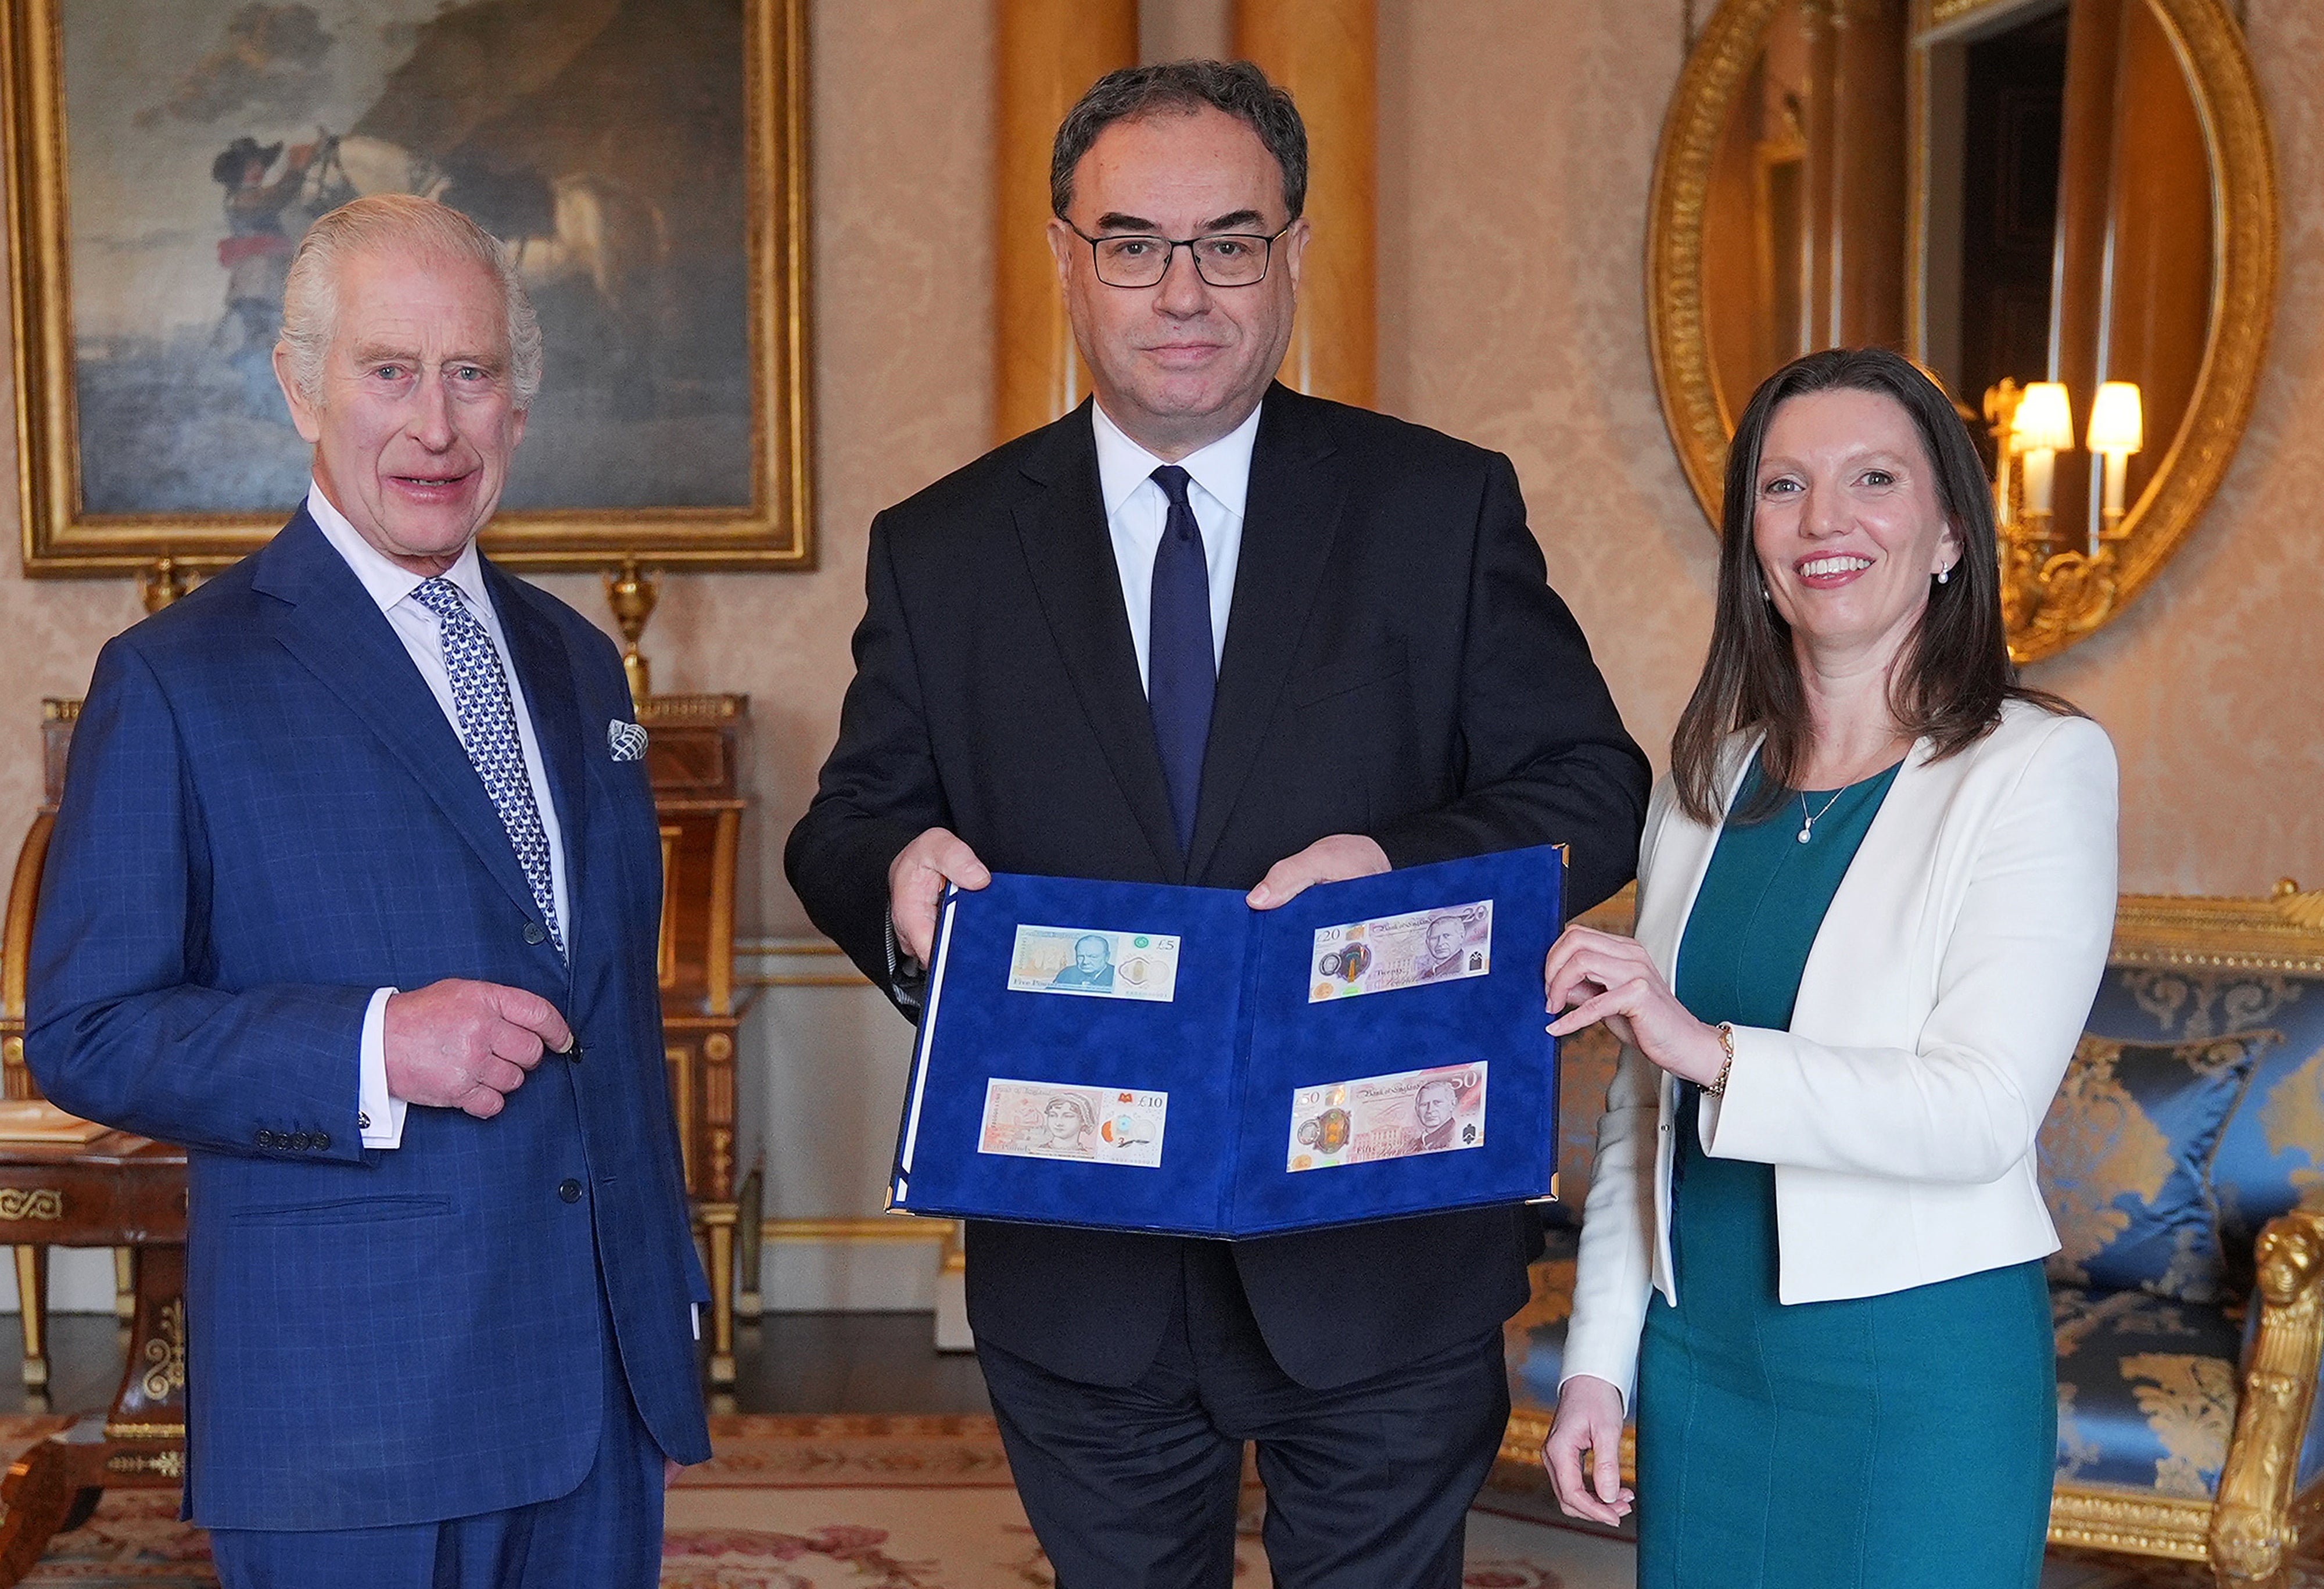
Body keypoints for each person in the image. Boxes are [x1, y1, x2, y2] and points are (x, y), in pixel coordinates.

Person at [787, 58, 1650, 1589]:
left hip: (1383, 1242)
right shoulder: (945, 547)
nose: (1183, 290)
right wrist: (897, 872)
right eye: (1133, 242)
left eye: (1230, 241)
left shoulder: (1438, 510)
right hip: (1082, 1260)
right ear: (1068, 256)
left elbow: (1591, 780)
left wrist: (1393, 863)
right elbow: (853, 819)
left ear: (1292, 254)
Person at [26, 193, 709, 1589]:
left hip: (599, 1386)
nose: (437, 424)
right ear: (299, 384)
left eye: (474, 373)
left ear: (521, 400)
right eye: (390, 371)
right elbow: (85, 1026)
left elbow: (606, 1007)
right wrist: (374, 1043)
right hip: (356, 1405)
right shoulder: (176, 679)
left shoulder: (579, 663)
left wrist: (664, 1304)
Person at [1540, 347, 2118, 1588]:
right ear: (1750, 537)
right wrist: (1599, 1356)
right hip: (1703, 1364)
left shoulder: (2037, 766)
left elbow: (1978, 1110)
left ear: (1949, 531)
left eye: (1871, 478)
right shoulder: (1703, 780)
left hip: (1913, 1370)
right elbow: (1643, 1119)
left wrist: (1703, 1044)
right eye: (1781, 486)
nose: (1823, 520)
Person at [1052, 932, 1117, 989]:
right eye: (1080, 956)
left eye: (1093, 957)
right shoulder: (1066, 974)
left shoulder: (1117, 976)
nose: (1085, 962)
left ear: (1107, 957)